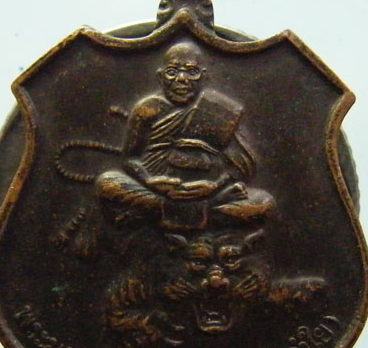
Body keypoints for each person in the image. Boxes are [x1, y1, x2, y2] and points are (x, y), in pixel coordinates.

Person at [96, 40, 274, 230]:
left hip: (207, 192)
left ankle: (162, 214)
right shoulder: (147, 108)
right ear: (160, 77)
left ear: (204, 77)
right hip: (158, 192)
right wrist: (149, 181)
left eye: (191, 71)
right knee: (107, 183)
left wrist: (215, 186)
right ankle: (200, 213)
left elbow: (243, 167)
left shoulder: (221, 110)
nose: (181, 79)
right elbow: (130, 159)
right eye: (172, 72)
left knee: (264, 203)